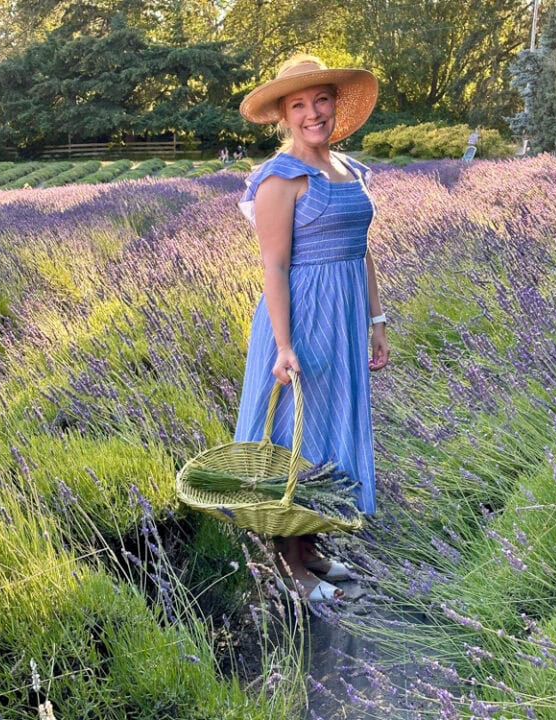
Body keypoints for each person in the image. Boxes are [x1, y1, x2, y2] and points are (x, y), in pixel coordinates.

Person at [235, 54, 389, 602]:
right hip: (300, 320)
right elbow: (274, 266)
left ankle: (311, 547)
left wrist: (377, 320)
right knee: (292, 435)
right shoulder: (280, 179)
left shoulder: (350, 171)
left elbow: (362, 252)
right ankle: (287, 565)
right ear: (283, 115)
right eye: (297, 105)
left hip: (345, 318)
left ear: (334, 104)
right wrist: (282, 344)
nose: (311, 113)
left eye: (320, 100)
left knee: (326, 431)